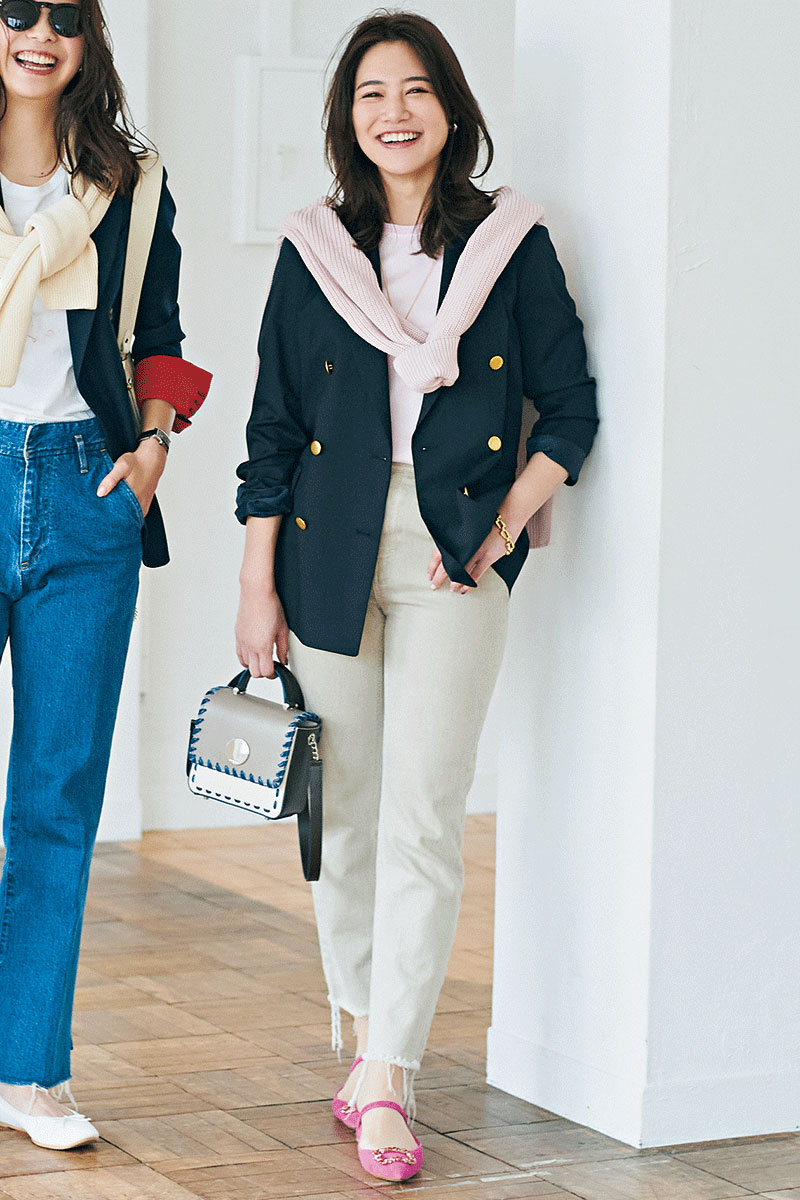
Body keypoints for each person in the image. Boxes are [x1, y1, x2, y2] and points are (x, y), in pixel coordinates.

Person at [235, 11, 597, 1182]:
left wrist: (497, 527)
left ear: (450, 107)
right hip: (323, 548)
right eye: (369, 94)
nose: (393, 113)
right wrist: (254, 586)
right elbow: (271, 432)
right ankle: (359, 1036)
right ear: (347, 118)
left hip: (455, 559)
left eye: (414, 90)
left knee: (423, 819)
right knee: (342, 815)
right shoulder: (312, 252)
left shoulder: (509, 246)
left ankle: (390, 1074)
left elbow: (570, 410)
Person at [0, 0, 211, 1151]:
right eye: (16, 10)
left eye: (63, 17)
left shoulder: (128, 182)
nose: (38, 33)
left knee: (58, 792)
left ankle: (28, 1070)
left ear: (87, 41)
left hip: (88, 491)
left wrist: (155, 445)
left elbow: (161, 330)